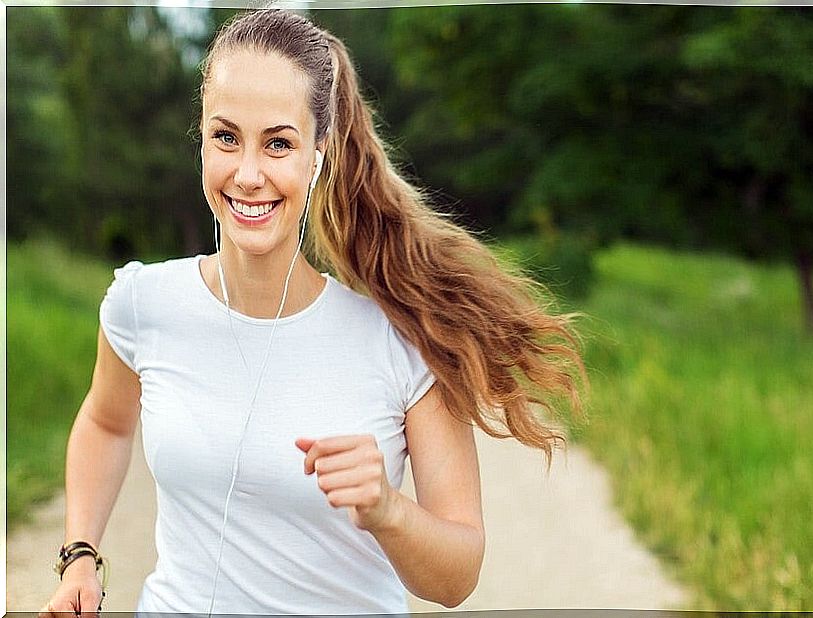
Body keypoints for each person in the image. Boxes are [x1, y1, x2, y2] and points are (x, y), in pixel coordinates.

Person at [39, 8, 587, 616]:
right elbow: (106, 423)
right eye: (226, 138)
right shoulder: (143, 306)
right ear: (201, 138)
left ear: (318, 155)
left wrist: (387, 508)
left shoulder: (399, 339)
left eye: (278, 144)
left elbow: (457, 576)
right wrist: (80, 557)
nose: (248, 175)